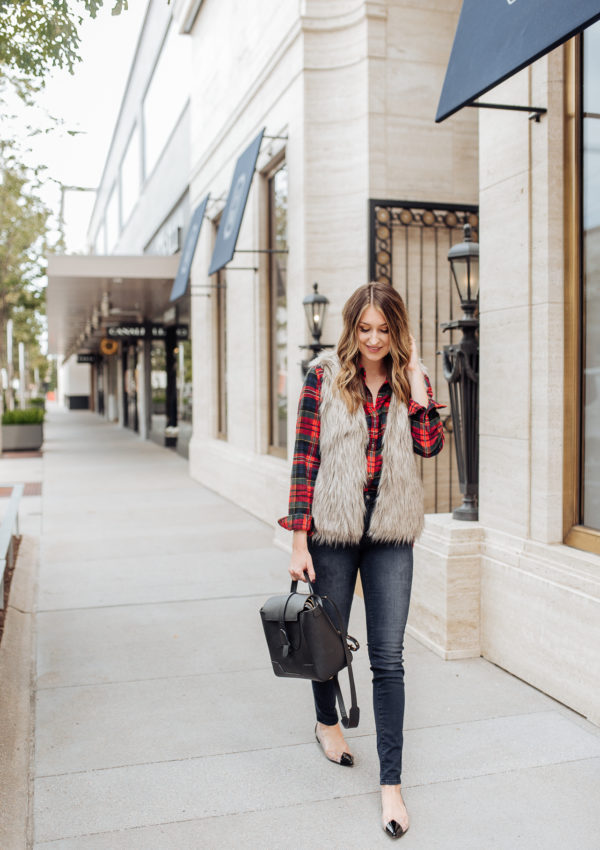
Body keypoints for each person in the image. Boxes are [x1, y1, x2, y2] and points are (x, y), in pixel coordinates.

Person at [278, 281, 444, 840]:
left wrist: (418, 378)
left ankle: (391, 785)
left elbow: (429, 446)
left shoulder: (405, 380)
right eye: (365, 329)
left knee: (389, 657)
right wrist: (299, 542)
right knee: (327, 643)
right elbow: (303, 462)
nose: (374, 340)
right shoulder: (323, 378)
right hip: (332, 528)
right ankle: (328, 722)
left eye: (385, 329)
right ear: (352, 328)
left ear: (398, 330)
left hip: (392, 532)